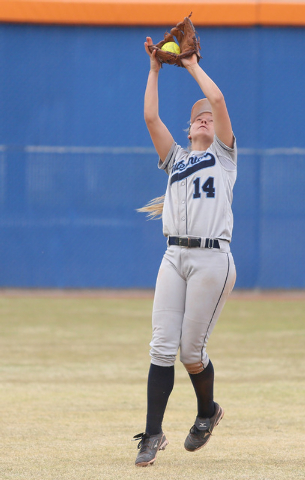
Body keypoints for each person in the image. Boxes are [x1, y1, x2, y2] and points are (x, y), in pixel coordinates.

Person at [133, 36, 237, 467]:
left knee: (191, 352)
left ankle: (206, 413)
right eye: (198, 118)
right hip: (174, 257)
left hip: (213, 259)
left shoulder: (225, 158)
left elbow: (216, 95)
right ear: (189, 126)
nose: (205, 119)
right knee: (161, 347)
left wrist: (191, 63)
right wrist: (155, 69)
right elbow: (150, 116)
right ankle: (153, 435)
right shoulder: (175, 159)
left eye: (210, 119)